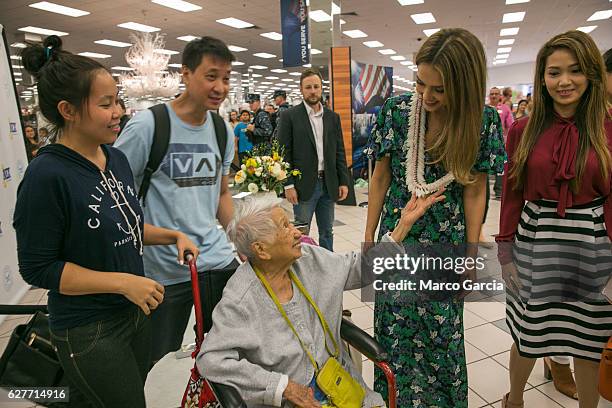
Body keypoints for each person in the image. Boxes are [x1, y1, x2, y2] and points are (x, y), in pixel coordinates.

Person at [13, 35, 199, 408]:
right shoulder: (47, 175)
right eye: (105, 103)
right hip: (89, 329)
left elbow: (122, 226)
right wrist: (122, 282)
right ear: (68, 109)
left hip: (133, 315)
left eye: (118, 100)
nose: (118, 111)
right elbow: (38, 268)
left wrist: (173, 235)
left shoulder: (114, 159)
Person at [364, 28, 506, 407]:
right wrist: (369, 244)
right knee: (394, 332)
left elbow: (475, 190)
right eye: (420, 83)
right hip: (399, 235)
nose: (426, 96)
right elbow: (380, 178)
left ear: (464, 85)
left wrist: (472, 252)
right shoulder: (396, 113)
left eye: (439, 89)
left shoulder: (482, 121)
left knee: (442, 336)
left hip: (447, 244)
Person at [198, 191, 445, 407]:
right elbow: (211, 359)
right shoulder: (241, 298)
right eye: (284, 227)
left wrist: (402, 227)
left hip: (340, 386)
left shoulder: (309, 258)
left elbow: (361, 267)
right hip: (290, 402)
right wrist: (282, 386)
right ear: (261, 249)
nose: (298, 233)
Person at [496, 30, 612, 408]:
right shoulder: (523, 130)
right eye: (554, 72)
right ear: (542, 78)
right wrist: (505, 250)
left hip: (591, 241)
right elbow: (513, 191)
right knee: (529, 333)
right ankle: (515, 400)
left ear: (591, 73)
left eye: (575, 71)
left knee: (589, 339)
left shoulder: (607, 127)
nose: (564, 81)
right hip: (536, 236)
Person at [114, 36, 240, 365]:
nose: (220, 87)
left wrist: (242, 238)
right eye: (211, 76)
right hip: (163, 270)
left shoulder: (222, 130)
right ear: (185, 74)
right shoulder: (147, 127)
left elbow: (222, 193)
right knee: (153, 360)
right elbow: (116, 198)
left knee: (228, 356)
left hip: (215, 261)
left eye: (226, 78)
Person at [277, 68, 350, 251]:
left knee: (327, 231)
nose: (313, 91)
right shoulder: (290, 116)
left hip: (329, 182)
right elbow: (282, 152)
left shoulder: (333, 117)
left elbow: (339, 151)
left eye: (316, 86)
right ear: (301, 90)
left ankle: (329, 266)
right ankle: (303, 269)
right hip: (303, 185)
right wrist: (288, 185)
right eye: (308, 87)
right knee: (301, 231)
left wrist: (344, 181)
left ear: (321, 89)